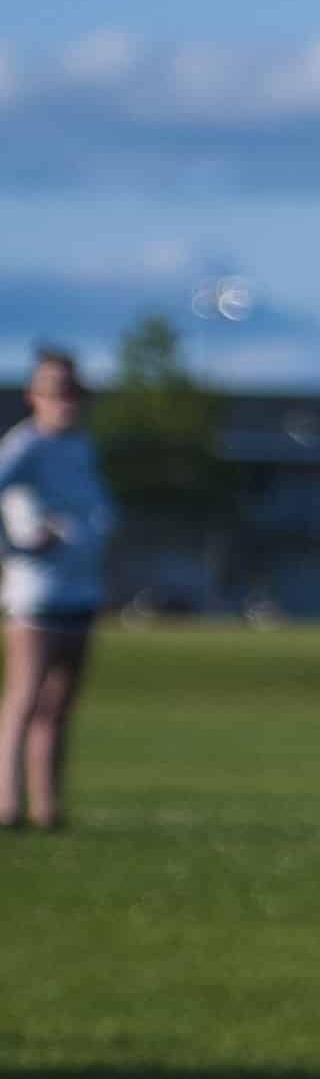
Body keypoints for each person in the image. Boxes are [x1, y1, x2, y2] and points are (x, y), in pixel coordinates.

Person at [0, 346, 116, 833]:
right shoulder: (25, 446)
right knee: (24, 697)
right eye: (54, 390)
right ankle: (7, 805)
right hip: (36, 594)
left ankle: (47, 809)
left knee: (58, 705)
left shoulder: (79, 447)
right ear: (33, 395)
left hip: (79, 590)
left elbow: (97, 510)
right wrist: (18, 545)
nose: (64, 399)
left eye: (71, 390)